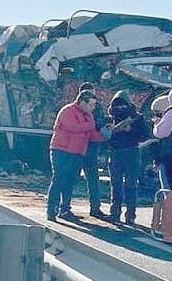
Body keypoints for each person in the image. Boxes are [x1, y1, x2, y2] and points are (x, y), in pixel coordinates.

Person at [46, 90, 106, 222]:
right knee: (59, 179)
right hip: (61, 150)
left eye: (94, 105)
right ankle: (51, 210)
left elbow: (91, 134)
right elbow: (73, 127)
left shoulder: (88, 116)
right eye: (91, 105)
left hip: (77, 152)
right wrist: (90, 125)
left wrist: (105, 136)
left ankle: (65, 209)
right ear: (82, 102)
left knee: (70, 181)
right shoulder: (67, 111)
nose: (93, 108)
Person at [106, 91, 149, 225]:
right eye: (117, 105)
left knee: (130, 186)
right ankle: (115, 213)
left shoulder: (137, 117)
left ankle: (130, 215)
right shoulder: (111, 118)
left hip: (132, 152)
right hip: (116, 153)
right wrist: (114, 130)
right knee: (116, 186)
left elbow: (145, 135)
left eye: (123, 105)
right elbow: (106, 137)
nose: (120, 108)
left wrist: (130, 130)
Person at [74, 82, 108, 219]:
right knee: (76, 178)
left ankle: (95, 207)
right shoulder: (75, 109)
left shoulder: (95, 107)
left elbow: (98, 124)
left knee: (91, 178)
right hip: (81, 146)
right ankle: (64, 207)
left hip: (89, 145)